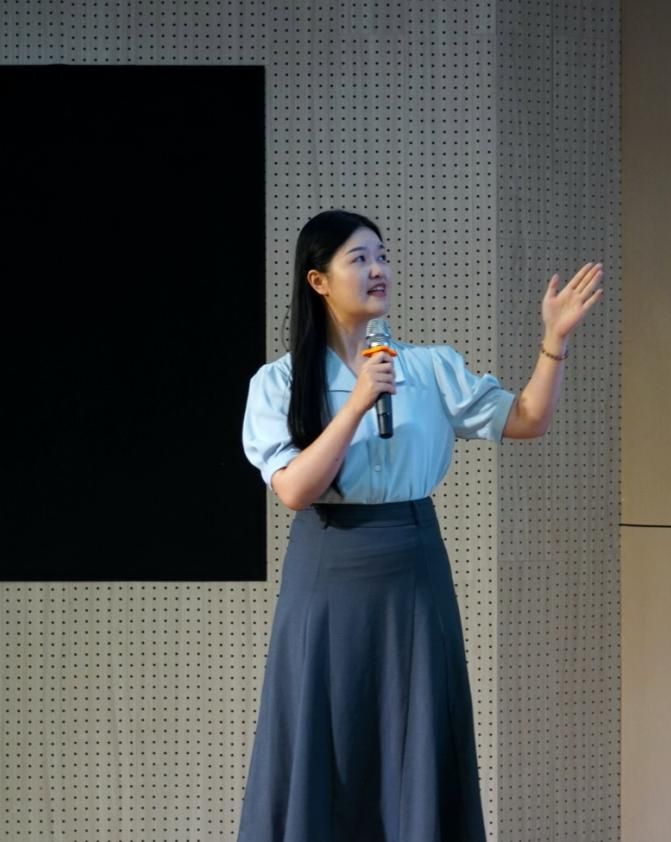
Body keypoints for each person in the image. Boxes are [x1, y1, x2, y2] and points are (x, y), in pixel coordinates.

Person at [236, 209, 603, 841]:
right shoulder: (279, 382)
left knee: (419, 734)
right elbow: (294, 489)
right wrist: (357, 402)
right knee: (325, 736)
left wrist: (554, 341)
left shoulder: (429, 368)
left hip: (414, 566)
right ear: (318, 281)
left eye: (381, 255)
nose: (378, 269)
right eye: (359, 259)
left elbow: (526, 419)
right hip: (327, 570)